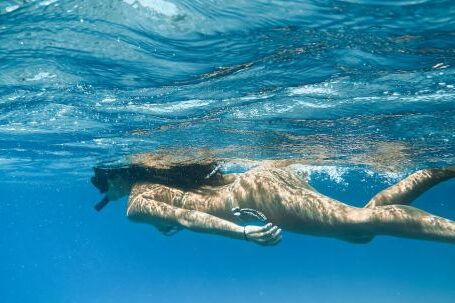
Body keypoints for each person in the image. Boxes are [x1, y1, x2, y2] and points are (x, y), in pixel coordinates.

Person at [91, 154, 455, 246]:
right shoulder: (163, 179)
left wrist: (243, 234)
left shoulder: (137, 203)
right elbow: (178, 216)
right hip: (263, 178)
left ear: (117, 176)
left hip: (257, 198)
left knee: (359, 223)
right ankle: (435, 171)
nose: (105, 193)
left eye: (103, 184)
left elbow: (188, 219)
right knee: (358, 230)